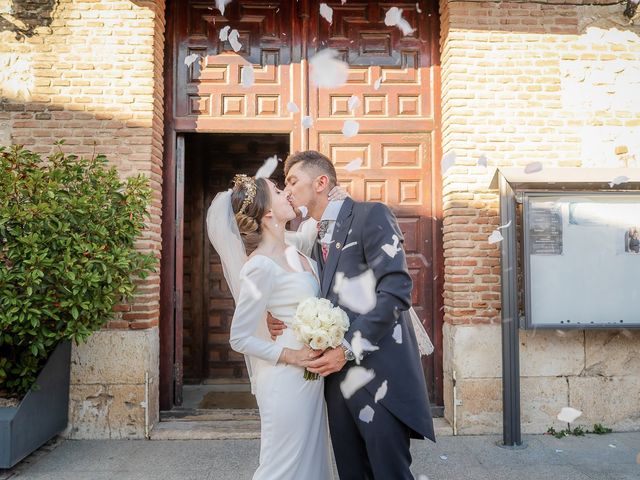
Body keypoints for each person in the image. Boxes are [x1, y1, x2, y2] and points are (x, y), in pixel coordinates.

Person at [269, 151, 436, 479]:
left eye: (292, 181)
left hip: (380, 380)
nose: (286, 190)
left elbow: (396, 291)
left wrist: (346, 348)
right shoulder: (315, 238)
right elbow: (311, 295)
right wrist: (276, 316)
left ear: (321, 182)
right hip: (336, 387)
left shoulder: (370, 214)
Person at [206, 174, 339, 480]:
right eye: (279, 191)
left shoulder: (297, 250)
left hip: (311, 378)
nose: (288, 193)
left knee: (310, 463)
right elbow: (239, 338)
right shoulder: (259, 265)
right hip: (285, 378)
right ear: (267, 212)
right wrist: (292, 356)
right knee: (282, 467)